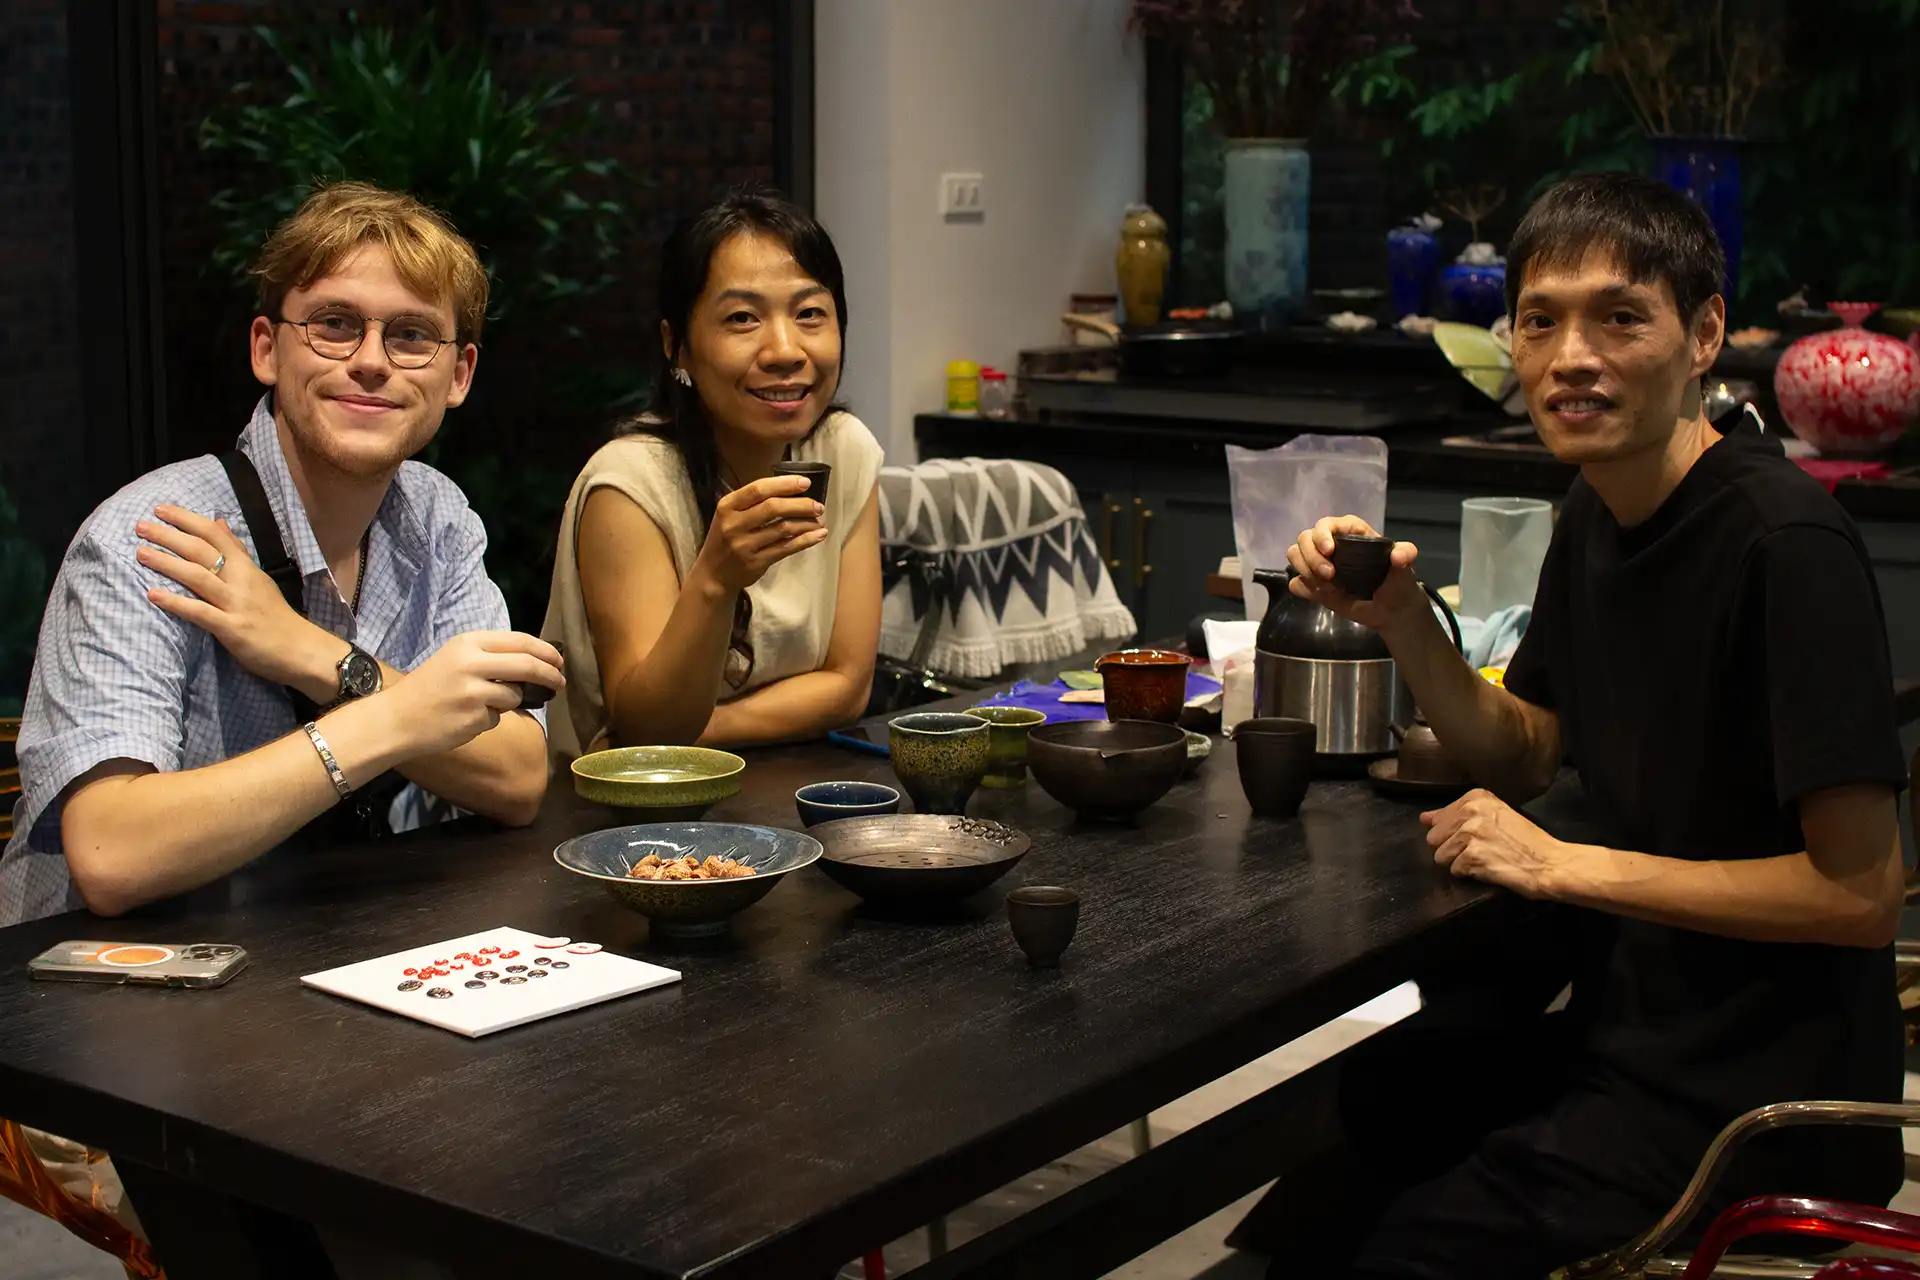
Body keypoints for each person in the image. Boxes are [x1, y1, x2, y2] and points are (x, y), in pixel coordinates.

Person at [1280, 172, 1907, 1278]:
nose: (1573, 355)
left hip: (1759, 1092)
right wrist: (1399, 618)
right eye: (1540, 319)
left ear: (1706, 334)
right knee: (1370, 1115)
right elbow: (1526, 744)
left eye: (1621, 316)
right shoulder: (1597, 510)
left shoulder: (1784, 545)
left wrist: (1570, 865)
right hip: (1631, 1030)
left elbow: (1859, 895)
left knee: (1404, 1248)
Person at [0, 180, 565, 928]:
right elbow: (112, 854)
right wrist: (393, 719)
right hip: (97, 995)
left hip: (319, 965)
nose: (372, 361)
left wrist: (316, 655)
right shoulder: (150, 533)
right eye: (334, 325)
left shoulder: (436, 518)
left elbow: (519, 777)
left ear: (457, 375)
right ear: (267, 350)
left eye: (410, 335)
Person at [542, 188, 883, 756]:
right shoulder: (630, 483)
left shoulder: (843, 450)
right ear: (677, 347)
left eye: (810, 314)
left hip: (776, 784)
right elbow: (649, 730)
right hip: (618, 822)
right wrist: (717, 579)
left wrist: (708, 730)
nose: (784, 349)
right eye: (742, 318)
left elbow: (848, 687)